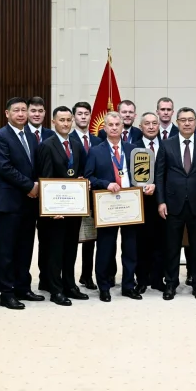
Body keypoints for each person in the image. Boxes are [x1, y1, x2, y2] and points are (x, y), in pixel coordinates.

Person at [155, 107, 196, 300]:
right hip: (173, 204)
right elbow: (159, 176)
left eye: (190, 120)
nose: (187, 123)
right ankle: (170, 283)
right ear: (177, 122)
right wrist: (161, 201)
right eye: (183, 120)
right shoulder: (166, 144)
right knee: (171, 247)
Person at [0, 98, 45, 311]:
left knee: (25, 248)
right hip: (10, 202)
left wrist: (39, 185)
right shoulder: (0, 136)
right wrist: (30, 186)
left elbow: (36, 166)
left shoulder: (31, 136)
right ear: (7, 113)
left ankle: (23, 287)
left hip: (30, 203)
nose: (21, 114)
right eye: (16, 110)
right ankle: (7, 292)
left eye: (24, 110)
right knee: (7, 251)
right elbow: (4, 167)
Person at [85, 112, 145, 302]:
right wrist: (105, 183)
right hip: (108, 205)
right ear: (104, 128)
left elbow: (141, 176)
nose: (114, 127)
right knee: (105, 248)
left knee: (130, 248)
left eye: (117, 124)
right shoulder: (95, 151)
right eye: (110, 124)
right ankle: (104, 287)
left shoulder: (133, 149)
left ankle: (128, 286)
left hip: (129, 204)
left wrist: (146, 185)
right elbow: (89, 177)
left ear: (122, 127)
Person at [36, 106, 89, 306]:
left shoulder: (76, 144)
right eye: (62, 120)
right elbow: (45, 178)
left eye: (68, 120)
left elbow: (80, 172)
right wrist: (52, 209)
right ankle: (55, 290)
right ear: (53, 122)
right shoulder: (47, 145)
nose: (66, 124)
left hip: (74, 208)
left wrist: (83, 181)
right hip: (55, 210)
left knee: (70, 249)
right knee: (55, 251)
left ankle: (70, 285)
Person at [71, 101, 105, 290]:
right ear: (74, 117)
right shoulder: (67, 139)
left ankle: (87, 275)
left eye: (86, 114)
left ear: (91, 116)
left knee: (91, 238)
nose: (83, 117)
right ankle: (68, 277)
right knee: (71, 237)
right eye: (79, 114)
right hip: (72, 196)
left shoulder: (98, 141)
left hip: (94, 195)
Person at [132, 112, 166, 293]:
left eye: (154, 123)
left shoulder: (167, 146)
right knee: (141, 243)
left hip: (162, 202)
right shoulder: (132, 147)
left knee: (161, 242)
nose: (151, 127)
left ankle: (158, 279)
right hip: (140, 203)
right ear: (141, 127)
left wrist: (157, 188)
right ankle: (142, 280)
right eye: (147, 123)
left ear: (159, 126)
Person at [26, 96, 55, 289]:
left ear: (45, 113)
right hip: (26, 195)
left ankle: (46, 280)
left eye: (40, 111)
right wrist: (31, 186)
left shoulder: (52, 135)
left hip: (50, 198)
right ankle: (23, 282)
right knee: (25, 243)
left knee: (48, 241)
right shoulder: (20, 133)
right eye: (33, 111)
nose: (37, 114)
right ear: (28, 112)